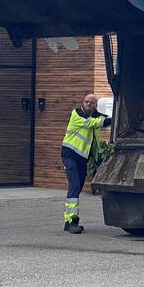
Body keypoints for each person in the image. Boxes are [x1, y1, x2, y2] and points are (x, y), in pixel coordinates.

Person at [60, 93, 111, 233]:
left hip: (82, 158)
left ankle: (67, 221)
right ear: (83, 102)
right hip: (70, 154)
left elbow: (101, 120)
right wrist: (110, 120)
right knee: (75, 186)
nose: (88, 104)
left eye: (92, 102)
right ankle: (72, 221)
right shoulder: (77, 114)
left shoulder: (95, 115)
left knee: (78, 186)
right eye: (87, 101)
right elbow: (92, 123)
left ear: (95, 105)